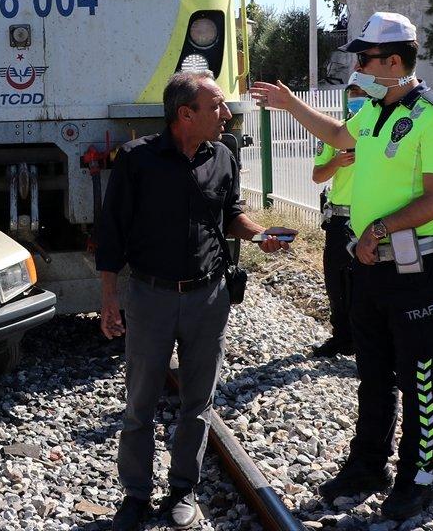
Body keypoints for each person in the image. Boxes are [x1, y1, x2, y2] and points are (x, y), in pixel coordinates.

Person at [251, 11, 433, 521]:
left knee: (418, 375)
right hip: (370, 266)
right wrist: (290, 103)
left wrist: (380, 230)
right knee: (372, 373)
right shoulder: (372, 111)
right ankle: (368, 465)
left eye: (364, 58)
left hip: (416, 269)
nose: (358, 67)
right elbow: (340, 136)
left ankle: (418, 476)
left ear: (394, 61)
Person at [97, 71, 294, 530]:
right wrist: (110, 298)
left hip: (208, 298)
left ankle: (183, 489)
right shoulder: (136, 160)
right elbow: (111, 234)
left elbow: (231, 214)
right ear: (185, 114)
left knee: (198, 404)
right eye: (217, 107)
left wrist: (259, 234)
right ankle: (136, 496)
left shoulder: (223, 156)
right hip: (150, 298)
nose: (226, 114)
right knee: (139, 405)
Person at [309, 85, 367, 358]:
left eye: (361, 96)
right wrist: (336, 162)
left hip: (369, 219)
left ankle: (364, 341)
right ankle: (341, 337)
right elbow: (318, 176)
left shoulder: (381, 132)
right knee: (336, 283)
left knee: (365, 286)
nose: (356, 101)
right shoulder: (334, 134)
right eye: (352, 95)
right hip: (340, 219)